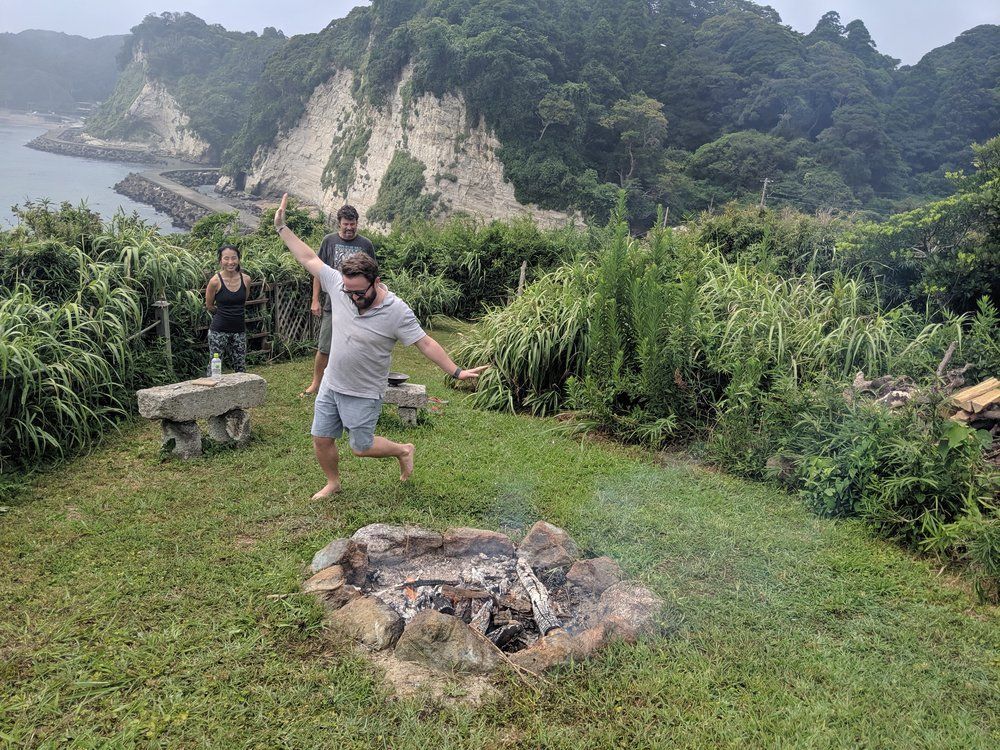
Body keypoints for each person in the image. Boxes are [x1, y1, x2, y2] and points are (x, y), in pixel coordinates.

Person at [274, 193, 488, 498]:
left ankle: (403, 449)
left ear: (375, 282)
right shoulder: (340, 285)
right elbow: (309, 258)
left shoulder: (396, 311)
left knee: (361, 448)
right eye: (348, 291)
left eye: (359, 292)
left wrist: (457, 372)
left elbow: (425, 342)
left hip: (363, 390)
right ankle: (333, 483)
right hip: (332, 384)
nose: (352, 297)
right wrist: (282, 227)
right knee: (321, 437)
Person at [301, 204, 376, 397]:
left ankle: (354, 383)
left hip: (358, 307)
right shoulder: (329, 241)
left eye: (353, 224)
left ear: (357, 223)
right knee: (324, 347)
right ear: (339, 223)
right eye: (346, 224)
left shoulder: (366, 244)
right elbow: (318, 272)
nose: (349, 228)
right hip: (332, 305)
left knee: (357, 347)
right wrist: (315, 299)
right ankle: (316, 384)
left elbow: (372, 276)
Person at [204, 244, 251, 374]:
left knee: (240, 366)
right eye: (226, 258)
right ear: (220, 261)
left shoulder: (246, 279)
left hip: (239, 330)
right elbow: (209, 305)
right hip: (218, 331)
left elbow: (243, 301)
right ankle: (211, 392)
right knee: (215, 366)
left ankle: (242, 393)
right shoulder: (215, 281)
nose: (230, 262)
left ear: (239, 259)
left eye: (234, 258)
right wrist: (224, 314)